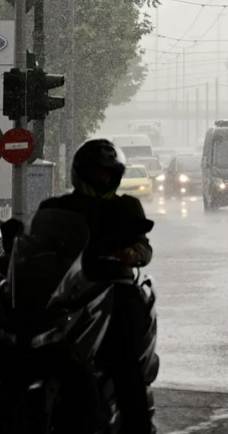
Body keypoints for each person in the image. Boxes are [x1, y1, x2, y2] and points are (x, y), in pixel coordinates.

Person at [38, 139, 159, 434]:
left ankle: (137, 428)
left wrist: (134, 254)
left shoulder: (127, 207)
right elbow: (34, 240)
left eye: (106, 173)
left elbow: (143, 246)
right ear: (80, 172)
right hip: (67, 292)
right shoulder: (57, 206)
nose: (100, 179)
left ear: (115, 176)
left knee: (125, 364)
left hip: (113, 289)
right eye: (94, 172)